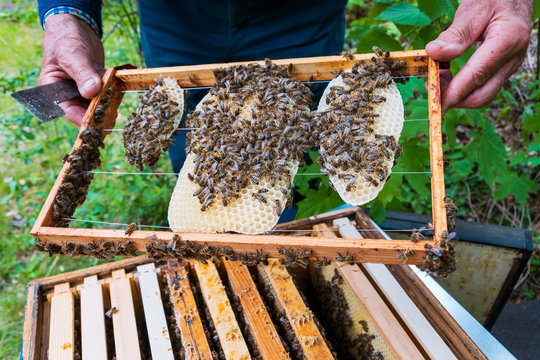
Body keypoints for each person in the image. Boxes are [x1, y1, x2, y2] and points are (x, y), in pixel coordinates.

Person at [37, 0, 533, 208]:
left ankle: (289, 239)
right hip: (179, 18)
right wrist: (66, 13)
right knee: (199, 159)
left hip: (300, 16)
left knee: (299, 155)